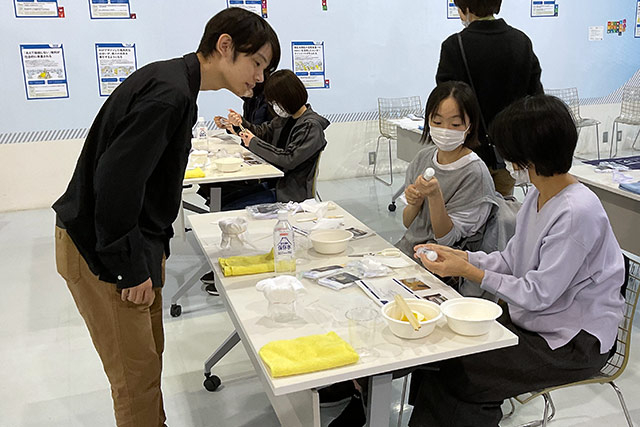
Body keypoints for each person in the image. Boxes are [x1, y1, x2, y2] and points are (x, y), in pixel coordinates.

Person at [52, 8, 280, 427]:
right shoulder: (170, 92)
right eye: (258, 63)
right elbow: (116, 182)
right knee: (135, 379)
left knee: (148, 364)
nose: (260, 77)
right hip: (104, 252)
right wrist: (129, 268)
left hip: (131, 244)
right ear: (224, 46)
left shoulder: (178, 85)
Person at [408, 95, 625, 426]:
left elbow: (539, 293)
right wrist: (463, 256)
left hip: (571, 342)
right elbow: (511, 259)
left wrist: (469, 270)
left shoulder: (575, 213)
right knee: (441, 357)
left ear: (529, 155)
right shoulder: (539, 194)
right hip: (536, 322)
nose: (504, 158)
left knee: (464, 375)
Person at [436, 0, 543, 196]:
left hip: (468, 151)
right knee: (502, 211)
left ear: (465, 9)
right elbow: (536, 99)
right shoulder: (522, 42)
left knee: (468, 213)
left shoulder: (454, 46)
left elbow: (445, 101)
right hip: (509, 151)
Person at [395, 81, 498, 264]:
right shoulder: (422, 158)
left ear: (469, 126)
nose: (445, 130)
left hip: (439, 265)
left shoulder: (475, 174)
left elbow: (446, 239)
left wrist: (435, 196)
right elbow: (408, 222)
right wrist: (415, 203)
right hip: (407, 253)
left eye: (456, 124)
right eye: (437, 122)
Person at [223, 68, 329, 205]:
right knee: (226, 200)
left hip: (288, 194)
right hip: (273, 183)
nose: (275, 107)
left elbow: (288, 158)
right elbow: (262, 132)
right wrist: (240, 124)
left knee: (230, 207)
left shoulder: (310, 127)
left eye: (276, 102)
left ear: (289, 97)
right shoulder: (285, 120)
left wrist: (254, 142)